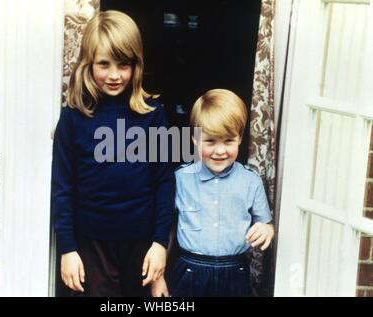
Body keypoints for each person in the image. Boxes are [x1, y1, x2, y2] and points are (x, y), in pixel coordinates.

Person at [51, 10, 174, 297]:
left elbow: (165, 183)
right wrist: (68, 248)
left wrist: (159, 244)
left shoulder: (153, 116)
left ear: (136, 65)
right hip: (91, 245)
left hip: (141, 244)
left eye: (124, 64)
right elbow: (62, 187)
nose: (115, 75)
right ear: (88, 63)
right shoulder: (73, 118)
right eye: (104, 64)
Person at [151, 89, 274, 297]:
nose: (219, 151)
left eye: (228, 141)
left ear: (240, 138)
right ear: (195, 139)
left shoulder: (251, 181)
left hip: (235, 271)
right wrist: (158, 277)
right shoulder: (180, 179)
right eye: (210, 141)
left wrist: (266, 230)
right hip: (189, 271)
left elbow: (266, 225)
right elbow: (167, 229)